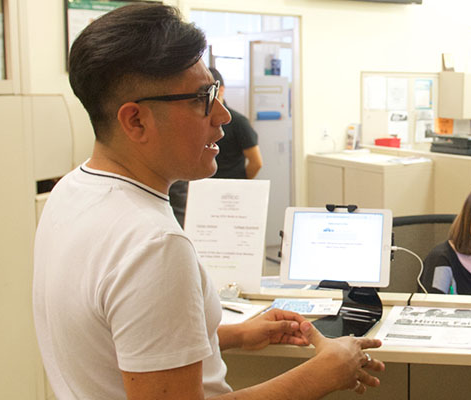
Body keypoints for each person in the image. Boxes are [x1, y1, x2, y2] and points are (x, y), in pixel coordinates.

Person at [33, 4, 383, 399]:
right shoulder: (153, 245)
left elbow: (118, 336)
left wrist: (229, 334)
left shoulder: (72, 191)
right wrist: (322, 373)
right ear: (135, 121)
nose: (222, 116)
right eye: (203, 98)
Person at [168, 67, 264, 227]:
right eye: (200, 98)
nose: (220, 117)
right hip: (202, 193)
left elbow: (256, 162)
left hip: (230, 194)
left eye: (212, 93)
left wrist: (237, 184)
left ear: (221, 90)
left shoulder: (238, 122)